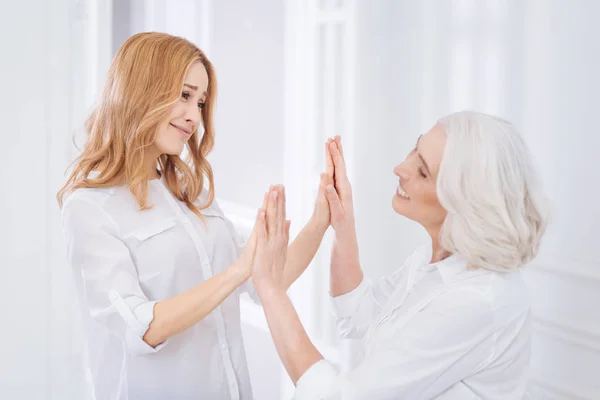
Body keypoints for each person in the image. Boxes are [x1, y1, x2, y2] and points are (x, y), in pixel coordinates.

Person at [57, 32, 332, 400]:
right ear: (142, 88)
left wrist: (321, 219)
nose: (194, 117)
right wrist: (236, 272)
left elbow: (263, 280)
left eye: (201, 103)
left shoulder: (188, 193)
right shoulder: (90, 207)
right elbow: (142, 327)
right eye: (185, 96)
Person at [250, 111, 549, 399]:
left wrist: (271, 290)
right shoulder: (436, 260)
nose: (400, 169)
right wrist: (342, 223)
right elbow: (358, 314)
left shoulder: (475, 301)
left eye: (422, 171)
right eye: (413, 151)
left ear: (464, 204)